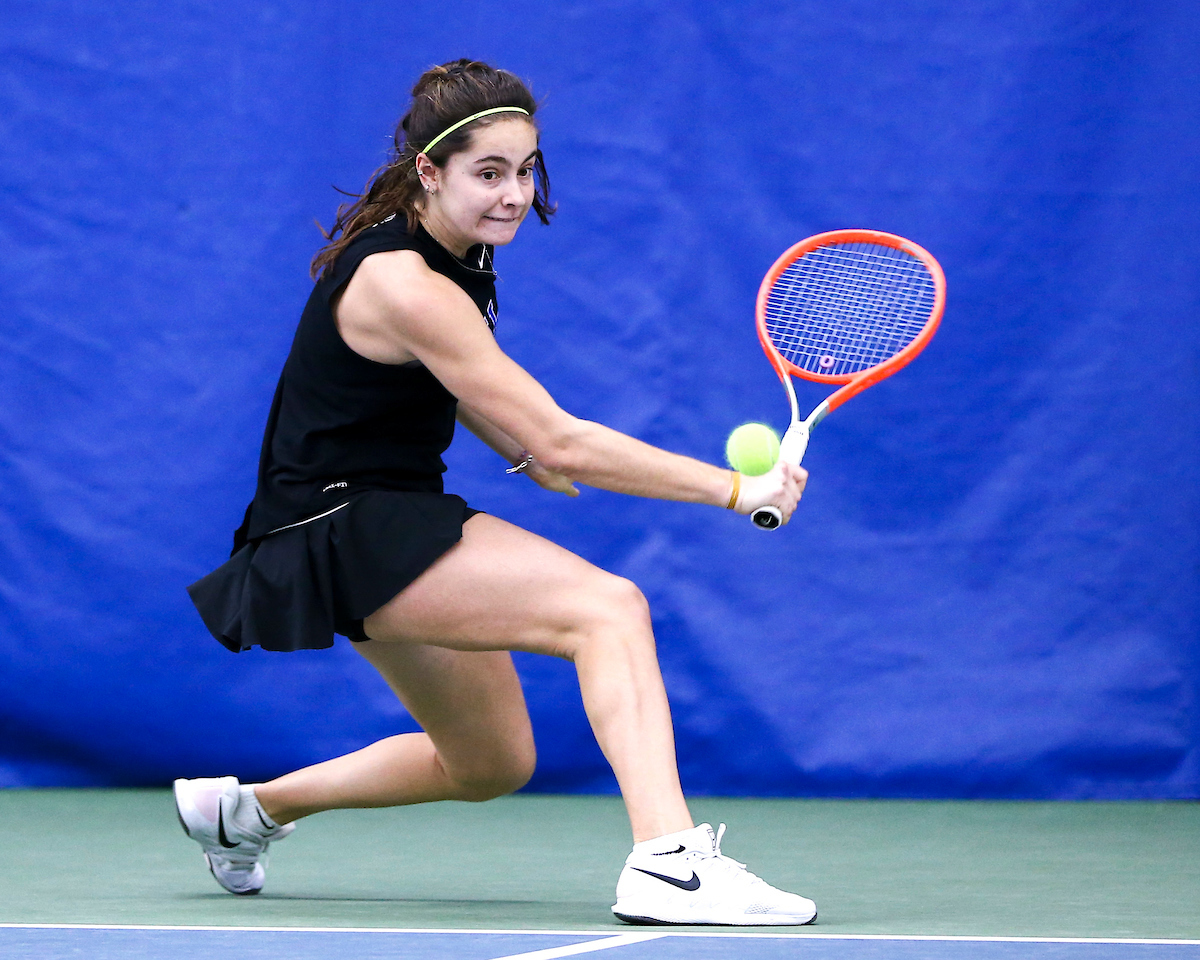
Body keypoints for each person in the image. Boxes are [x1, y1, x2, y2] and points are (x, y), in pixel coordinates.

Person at [177, 59, 815, 927]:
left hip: (355, 513)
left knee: (488, 762)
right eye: (489, 173)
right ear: (429, 172)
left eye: (525, 171)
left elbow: (447, 381)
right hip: (347, 523)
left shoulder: (451, 249)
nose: (514, 194)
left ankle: (247, 811)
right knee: (608, 608)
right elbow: (561, 434)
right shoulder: (405, 280)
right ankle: (669, 865)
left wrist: (515, 450)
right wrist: (739, 490)